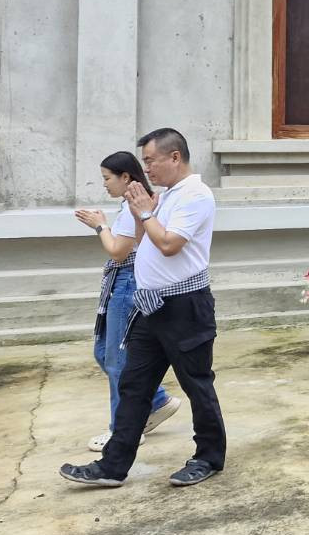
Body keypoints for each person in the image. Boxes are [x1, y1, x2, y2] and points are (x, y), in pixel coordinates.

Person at [60, 128, 225, 489]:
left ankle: (208, 457)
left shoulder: (195, 195)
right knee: (134, 385)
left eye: (150, 160)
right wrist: (140, 211)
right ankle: (113, 466)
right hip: (150, 306)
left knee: (196, 383)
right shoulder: (166, 196)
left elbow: (168, 245)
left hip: (184, 306)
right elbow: (138, 240)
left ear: (175, 157)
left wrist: (146, 211)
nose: (145, 168)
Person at [73, 151, 181, 453]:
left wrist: (99, 226)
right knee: (103, 351)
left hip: (127, 283)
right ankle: (156, 401)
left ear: (125, 177)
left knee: (117, 360)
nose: (105, 184)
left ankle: (122, 430)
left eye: (108, 178)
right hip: (121, 282)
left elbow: (118, 251)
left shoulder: (133, 208)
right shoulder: (133, 205)